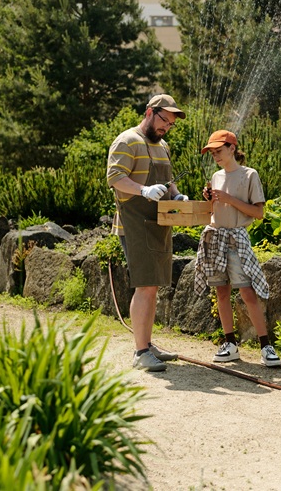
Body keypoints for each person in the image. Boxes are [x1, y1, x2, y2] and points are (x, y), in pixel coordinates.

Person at [106, 94, 189, 372]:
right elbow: (115, 178)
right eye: (165, 120)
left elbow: (168, 181)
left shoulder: (162, 146)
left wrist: (177, 196)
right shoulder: (127, 141)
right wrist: (142, 190)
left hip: (158, 222)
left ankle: (148, 344)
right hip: (134, 224)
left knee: (153, 285)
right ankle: (140, 352)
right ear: (150, 112)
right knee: (145, 285)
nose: (167, 128)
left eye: (171, 124)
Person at [193, 129, 281, 367]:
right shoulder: (216, 176)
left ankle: (266, 346)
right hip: (215, 237)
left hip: (236, 240)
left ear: (232, 148)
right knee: (221, 292)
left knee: (246, 292)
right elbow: (216, 211)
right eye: (212, 153)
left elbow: (259, 213)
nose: (216, 156)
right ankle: (229, 344)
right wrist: (210, 198)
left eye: (219, 151)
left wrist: (228, 198)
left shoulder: (249, 175)